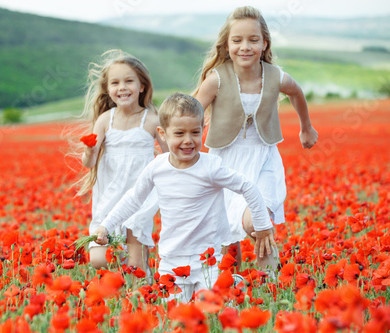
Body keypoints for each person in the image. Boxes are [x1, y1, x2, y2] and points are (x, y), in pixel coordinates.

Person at [93, 93, 276, 302]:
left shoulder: (211, 167)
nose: (188, 141)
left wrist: (262, 226)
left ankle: (232, 283)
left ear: (203, 130)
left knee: (212, 311)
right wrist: (106, 226)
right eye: (179, 133)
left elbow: (248, 187)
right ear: (162, 133)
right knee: (173, 314)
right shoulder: (157, 167)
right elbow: (134, 198)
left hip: (209, 258)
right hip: (171, 258)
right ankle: (229, 284)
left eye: (195, 133)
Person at [193, 6, 318, 273]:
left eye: (253, 40)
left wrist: (306, 128)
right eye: (237, 40)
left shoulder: (275, 76)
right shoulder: (216, 80)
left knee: (257, 223)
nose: (245, 47)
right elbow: (192, 113)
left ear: (264, 43)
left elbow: (296, 93)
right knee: (227, 235)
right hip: (225, 161)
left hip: (263, 159)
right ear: (227, 45)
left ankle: (270, 284)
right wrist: (181, 145)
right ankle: (233, 292)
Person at [79, 49, 168, 274]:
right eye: (115, 83)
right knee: (99, 259)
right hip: (109, 196)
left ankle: (142, 297)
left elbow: (170, 156)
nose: (122, 87)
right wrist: (89, 151)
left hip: (140, 198)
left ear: (142, 86)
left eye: (129, 81)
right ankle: (119, 286)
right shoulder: (104, 121)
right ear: (108, 90)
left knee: (135, 265)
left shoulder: (151, 120)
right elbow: (89, 163)